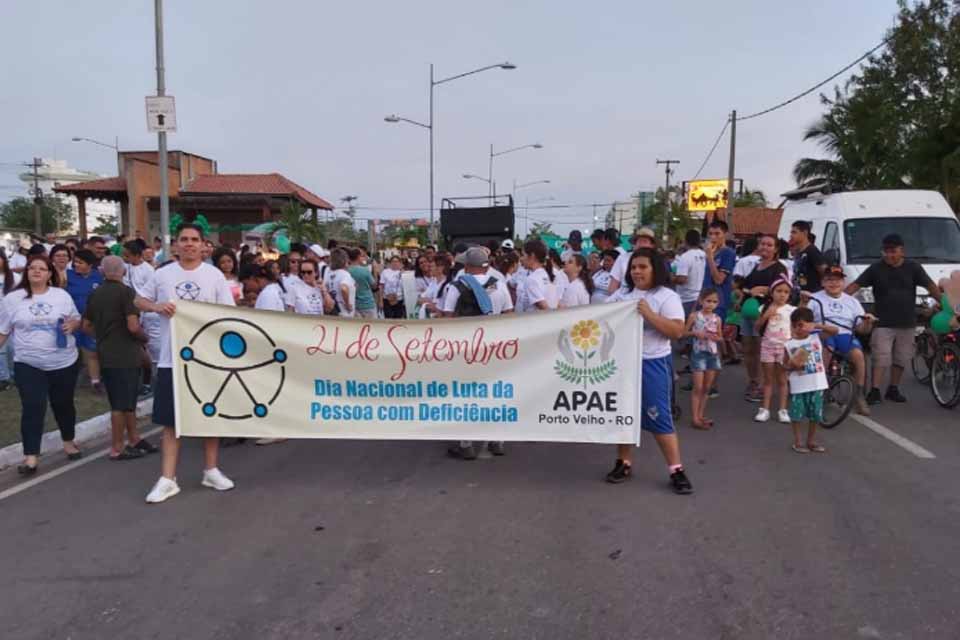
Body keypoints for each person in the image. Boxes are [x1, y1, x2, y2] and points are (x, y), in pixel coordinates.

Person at [136, 223, 237, 504]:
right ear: (175, 245)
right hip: (172, 359)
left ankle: (211, 470)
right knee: (171, 421)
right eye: (184, 239)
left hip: (207, 360)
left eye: (194, 239)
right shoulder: (162, 274)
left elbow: (228, 314)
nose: (189, 244)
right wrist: (156, 306)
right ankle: (168, 479)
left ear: (203, 245)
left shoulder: (214, 276)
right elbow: (139, 300)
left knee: (209, 416)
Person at [605, 248, 693, 494]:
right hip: (623, 363)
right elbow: (600, 316)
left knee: (659, 417)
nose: (637, 271)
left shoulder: (666, 296)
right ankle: (623, 462)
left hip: (653, 363)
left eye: (643, 267)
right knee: (623, 414)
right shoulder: (622, 294)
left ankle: (676, 469)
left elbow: (677, 331)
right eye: (633, 267)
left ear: (655, 269)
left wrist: (649, 314)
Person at [0, 256, 83, 475]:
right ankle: (31, 457)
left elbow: (77, 319)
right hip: (28, 363)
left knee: (63, 404)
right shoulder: (12, 299)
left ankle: (68, 442)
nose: (36, 271)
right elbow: (3, 331)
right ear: (26, 272)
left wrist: (73, 325)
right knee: (33, 407)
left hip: (63, 362)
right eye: (32, 268)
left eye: (42, 269)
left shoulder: (61, 296)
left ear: (49, 274)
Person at [846, 233, 940, 405]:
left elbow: (930, 286)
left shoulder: (913, 267)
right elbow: (855, 285)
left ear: (902, 251)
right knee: (881, 357)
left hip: (907, 321)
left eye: (893, 251)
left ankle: (893, 388)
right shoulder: (875, 268)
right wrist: (839, 299)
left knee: (901, 358)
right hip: (882, 321)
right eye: (886, 251)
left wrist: (944, 302)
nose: (889, 255)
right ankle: (875, 390)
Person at [82, 256, 157, 460]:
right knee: (120, 404)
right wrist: (144, 337)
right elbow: (133, 326)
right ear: (123, 271)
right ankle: (117, 447)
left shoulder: (95, 294)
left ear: (101, 271)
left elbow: (86, 326)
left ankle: (134, 438)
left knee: (127, 400)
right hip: (126, 353)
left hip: (107, 352)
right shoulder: (126, 292)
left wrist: (103, 336)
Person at [443, 247, 512, 460]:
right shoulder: (499, 285)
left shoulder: (457, 286)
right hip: (494, 347)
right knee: (495, 393)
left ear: (466, 266)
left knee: (467, 394)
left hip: (467, 348)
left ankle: (466, 443)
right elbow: (509, 314)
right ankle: (497, 440)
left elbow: (448, 318)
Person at [804, 266, 874, 415]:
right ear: (823, 282)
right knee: (827, 350)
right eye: (829, 280)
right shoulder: (814, 298)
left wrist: (867, 322)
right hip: (822, 332)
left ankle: (858, 394)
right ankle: (820, 390)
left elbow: (861, 329)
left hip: (844, 334)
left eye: (837, 280)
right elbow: (803, 321)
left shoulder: (852, 301)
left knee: (858, 355)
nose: (833, 283)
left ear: (843, 282)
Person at [740, 234, 788, 403]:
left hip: (766, 313)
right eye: (762, 244)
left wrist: (764, 289)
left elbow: (784, 289)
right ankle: (753, 381)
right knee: (748, 348)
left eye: (769, 245)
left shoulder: (779, 268)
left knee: (762, 349)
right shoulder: (756, 265)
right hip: (748, 311)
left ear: (776, 249)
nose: (765, 247)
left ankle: (762, 385)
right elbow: (746, 286)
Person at [782, 307, 829, 454]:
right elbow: (784, 365)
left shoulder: (815, 338)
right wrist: (792, 366)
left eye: (803, 325)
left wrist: (816, 326)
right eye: (796, 325)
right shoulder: (789, 344)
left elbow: (835, 331)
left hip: (817, 383)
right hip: (799, 385)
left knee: (816, 414)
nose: (800, 328)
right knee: (797, 414)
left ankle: (811, 440)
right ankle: (798, 441)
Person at [754, 278, 795, 423]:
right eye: (779, 291)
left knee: (782, 379)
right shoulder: (764, 308)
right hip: (768, 346)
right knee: (768, 379)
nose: (782, 294)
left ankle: (783, 410)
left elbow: (794, 330)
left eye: (786, 292)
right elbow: (757, 327)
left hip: (784, 348)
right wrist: (766, 315)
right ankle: (765, 409)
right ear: (772, 293)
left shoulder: (791, 310)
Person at [66, 249, 105, 393]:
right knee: (72, 350)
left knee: (92, 351)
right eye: (75, 262)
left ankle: (95, 382)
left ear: (89, 265)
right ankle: (70, 379)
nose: (76, 265)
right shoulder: (68, 275)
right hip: (72, 320)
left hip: (92, 321)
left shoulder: (99, 277)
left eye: (80, 262)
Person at [686, 288, 723, 430]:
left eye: (714, 302)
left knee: (707, 387)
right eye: (708, 301)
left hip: (712, 354)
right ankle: (695, 417)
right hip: (698, 353)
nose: (710, 304)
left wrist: (716, 337)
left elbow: (720, 337)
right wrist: (695, 333)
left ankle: (700, 415)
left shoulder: (717, 319)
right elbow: (682, 332)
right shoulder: (694, 316)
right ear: (701, 301)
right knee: (698, 387)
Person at [673, 230, 707, 346]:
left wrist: (671, 278)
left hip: (687, 297)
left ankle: (685, 349)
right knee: (697, 325)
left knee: (685, 326)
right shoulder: (705, 255)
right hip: (702, 296)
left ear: (685, 241)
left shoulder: (685, 257)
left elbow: (682, 279)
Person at [608, 227, 657, 293]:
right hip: (624, 296)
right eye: (638, 241)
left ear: (652, 245)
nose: (640, 244)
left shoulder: (657, 260)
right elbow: (612, 286)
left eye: (644, 241)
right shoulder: (623, 258)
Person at [516, 240, 557, 312]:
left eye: (523, 255)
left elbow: (544, 307)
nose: (521, 259)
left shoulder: (531, 280)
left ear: (532, 256)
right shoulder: (544, 274)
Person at [789, 220, 826, 295]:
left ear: (805, 233)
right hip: (798, 293)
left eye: (794, 232)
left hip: (811, 294)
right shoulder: (799, 252)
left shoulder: (812, 251)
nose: (791, 235)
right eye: (791, 232)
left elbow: (825, 272)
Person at [329, 248, 356, 318]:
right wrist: (347, 304)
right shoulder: (345, 274)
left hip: (333, 311)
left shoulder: (329, 274)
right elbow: (343, 288)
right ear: (344, 261)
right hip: (345, 313)